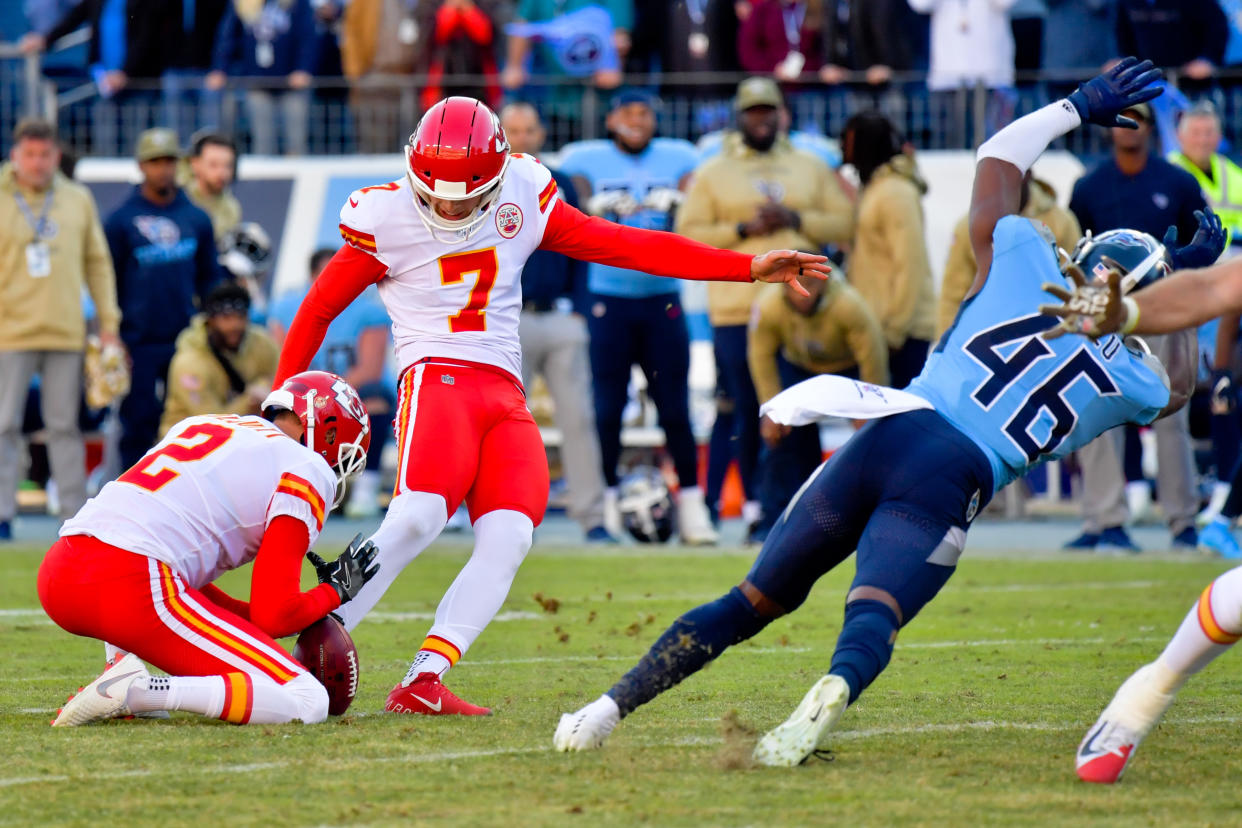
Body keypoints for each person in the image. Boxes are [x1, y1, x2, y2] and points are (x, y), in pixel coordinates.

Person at [551, 59, 1203, 766]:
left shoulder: (1023, 252)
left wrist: (1074, 107)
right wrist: (1188, 293)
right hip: (956, 475)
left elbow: (998, 157)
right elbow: (1179, 387)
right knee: (874, 613)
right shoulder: (1137, 376)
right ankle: (833, 683)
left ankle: (604, 709)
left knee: (751, 600)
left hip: (893, 430)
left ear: (1080, 254)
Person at [274, 95, 830, 716]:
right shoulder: (385, 216)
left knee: (511, 534)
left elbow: (624, 244)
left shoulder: (523, 194)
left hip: (504, 390)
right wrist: (282, 396)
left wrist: (745, 267)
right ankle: (293, 642)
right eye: (439, 193)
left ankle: (423, 679)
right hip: (437, 376)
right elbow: (319, 308)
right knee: (417, 516)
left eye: (466, 193)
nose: (452, 205)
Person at [40, 370, 377, 727]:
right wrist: (334, 592)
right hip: (130, 579)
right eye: (342, 457)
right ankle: (139, 690)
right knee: (308, 700)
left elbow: (208, 601)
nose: (337, 469)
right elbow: (274, 614)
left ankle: (119, 664)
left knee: (161, 570)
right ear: (325, 430)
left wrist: (303, 610)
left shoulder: (209, 424)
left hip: (62, 569)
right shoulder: (307, 467)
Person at [677, 76, 854, 535]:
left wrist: (797, 219)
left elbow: (845, 222)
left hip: (800, 308)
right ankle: (749, 505)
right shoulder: (714, 171)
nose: (762, 119)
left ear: (781, 114)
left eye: (768, 111)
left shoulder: (809, 166)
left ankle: (799, 508)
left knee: (798, 408)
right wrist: (742, 232)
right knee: (746, 405)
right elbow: (687, 233)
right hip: (738, 308)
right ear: (739, 118)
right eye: (753, 112)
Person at [558, 90, 719, 544]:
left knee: (675, 408)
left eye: (644, 113)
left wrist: (681, 204)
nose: (636, 121)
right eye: (627, 113)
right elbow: (565, 203)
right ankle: (607, 504)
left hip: (661, 297)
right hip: (607, 298)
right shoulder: (586, 157)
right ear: (610, 120)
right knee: (607, 408)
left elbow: (699, 202)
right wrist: (592, 210)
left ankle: (692, 506)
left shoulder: (679, 156)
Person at [1065, 100, 1207, 553]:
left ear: (1150, 127)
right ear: (1111, 129)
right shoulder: (1089, 186)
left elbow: (1197, 243)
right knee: (1094, 413)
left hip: (1160, 307)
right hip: (1105, 313)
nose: (1130, 128)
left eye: (1139, 119)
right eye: (1122, 120)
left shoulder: (1177, 182)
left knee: (1170, 414)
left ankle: (1182, 520)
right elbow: (1077, 253)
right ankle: (1104, 519)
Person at [0, 119, 121, 542]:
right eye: (29, 154)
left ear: (56, 156)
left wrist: (109, 324)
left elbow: (98, 263)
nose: (37, 163)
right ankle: (2, 514)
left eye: (45, 155)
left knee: (64, 426)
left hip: (65, 329)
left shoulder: (76, 198)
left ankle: (74, 517)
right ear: (16, 156)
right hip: (8, 331)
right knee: (3, 423)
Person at [499, 102, 615, 544]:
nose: (521, 138)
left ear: (541, 134)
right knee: (498, 422)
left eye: (528, 129)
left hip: (561, 315)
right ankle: (497, 517)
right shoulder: (483, 184)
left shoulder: (559, 183)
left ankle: (592, 515)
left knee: (580, 418)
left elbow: (584, 246)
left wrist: (583, 308)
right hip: (507, 321)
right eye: (513, 130)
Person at [105, 128, 224, 470]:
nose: (163, 169)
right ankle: (131, 497)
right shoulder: (120, 221)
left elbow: (210, 281)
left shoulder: (197, 218)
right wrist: (113, 335)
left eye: (169, 161)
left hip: (186, 341)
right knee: (138, 422)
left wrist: (210, 333)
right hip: (137, 342)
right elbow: (108, 283)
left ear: (180, 164)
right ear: (141, 166)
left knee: (189, 422)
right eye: (155, 161)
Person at [747, 271, 887, 539]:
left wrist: (869, 408)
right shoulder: (768, 305)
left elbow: (872, 354)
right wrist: (772, 406)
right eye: (795, 286)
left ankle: (875, 520)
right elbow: (760, 355)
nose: (803, 293)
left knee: (873, 439)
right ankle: (775, 523)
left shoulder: (849, 304)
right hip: (798, 367)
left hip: (846, 370)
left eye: (810, 284)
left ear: (823, 282)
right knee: (779, 438)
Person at [269, 248, 394, 520]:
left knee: (376, 398)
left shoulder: (369, 311)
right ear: (312, 276)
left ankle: (366, 485)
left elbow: (370, 370)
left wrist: (326, 396)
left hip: (349, 395)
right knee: (273, 404)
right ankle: (283, 484)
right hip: (303, 396)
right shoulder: (285, 308)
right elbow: (284, 362)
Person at [841, 111, 936, 388]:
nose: (843, 150)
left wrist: (896, 332)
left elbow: (910, 263)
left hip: (901, 333)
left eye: (847, 141)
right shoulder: (874, 189)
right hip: (879, 329)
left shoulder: (895, 192)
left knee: (894, 422)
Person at [938, 173, 1081, 336]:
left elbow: (1075, 287)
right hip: (989, 340)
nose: (1000, 177)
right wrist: (946, 344)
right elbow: (953, 297)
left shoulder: (1061, 222)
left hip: (1051, 334)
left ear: (1028, 170)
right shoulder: (969, 227)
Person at [160, 281, 279, 435]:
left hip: (245, 435)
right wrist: (251, 399)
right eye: (226, 318)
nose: (234, 325)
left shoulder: (262, 343)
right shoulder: (189, 362)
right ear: (211, 320)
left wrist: (262, 386)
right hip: (188, 441)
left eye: (240, 317)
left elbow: (282, 380)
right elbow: (211, 423)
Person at [208, 0, 317, 157]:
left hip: (291, 85)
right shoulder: (242, 3)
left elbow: (308, 37)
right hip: (257, 82)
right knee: (263, 141)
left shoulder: (297, 3)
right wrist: (220, 68)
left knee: (296, 141)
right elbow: (228, 36)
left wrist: (303, 69)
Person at [185, 132, 242, 245]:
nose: (222, 173)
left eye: (228, 165)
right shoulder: (176, 197)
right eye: (213, 165)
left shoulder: (231, 209)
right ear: (194, 163)